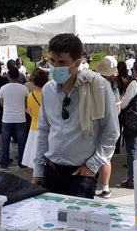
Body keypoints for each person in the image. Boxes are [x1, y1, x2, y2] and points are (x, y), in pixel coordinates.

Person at [33, 34, 119, 199]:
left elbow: (111, 131)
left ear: (77, 63)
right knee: (49, 222)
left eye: (62, 62)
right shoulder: (48, 90)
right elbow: (44, 130)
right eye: (52, 61)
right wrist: (38, 170)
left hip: (81, 174)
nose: (56, 67)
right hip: (51, 171)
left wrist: (93, 165)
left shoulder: (98, 87)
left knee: (77, 224)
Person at [94, 57, 121, 198]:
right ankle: (105, 187)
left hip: (93, 124)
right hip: (109, 125)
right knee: (106, 157)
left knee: (90, 154)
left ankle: (90, 183)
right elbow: (118, 109)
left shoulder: (92, 84)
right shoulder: (114, 86)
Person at [0, 68, 29, 169]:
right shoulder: (24, 88)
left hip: (7, 118)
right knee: (21, 142)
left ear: (9, 76)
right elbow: (26, 104)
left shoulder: (3, 88)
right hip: (20, 118)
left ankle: (4, 162)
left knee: (5, 142)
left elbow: (2, 104)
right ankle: (22, 162)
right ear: (18, 76)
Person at [21, 70, 48, 172]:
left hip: (34, 127)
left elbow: (30, 112)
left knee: (34, 156)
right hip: (47, 128)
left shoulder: (31, 95)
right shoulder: (49, 94)